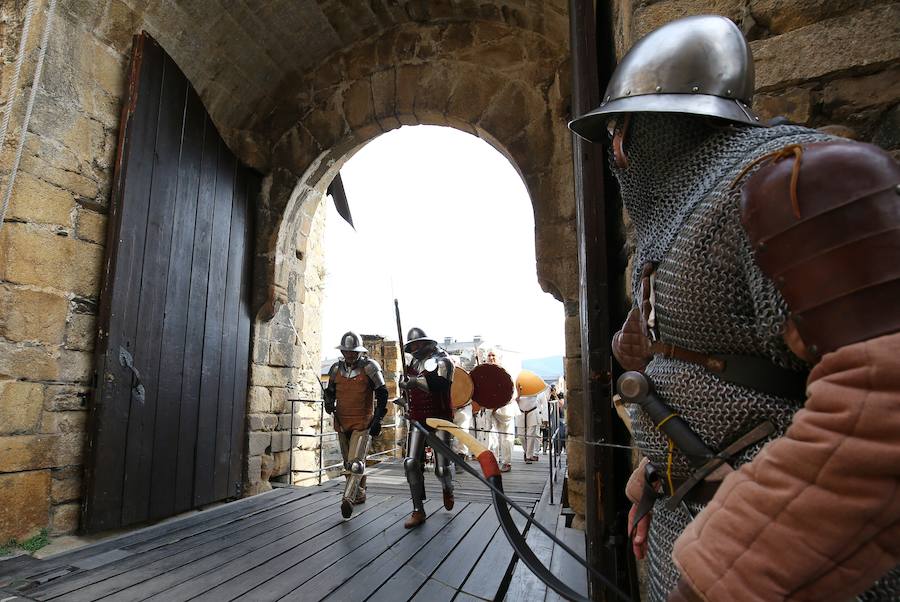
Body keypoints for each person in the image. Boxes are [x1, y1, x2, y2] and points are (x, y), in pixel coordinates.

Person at [569, 14, 900, 602]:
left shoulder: (797, 181)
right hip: (696, 517)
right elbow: (720, 381)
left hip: (786, 565)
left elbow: (882, 410)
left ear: (636, 129)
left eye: (617, 130)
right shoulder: (681, 221)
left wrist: (727, 573)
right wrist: (662, 474)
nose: (615, 153)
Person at [323, 332, 388, 519]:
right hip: (342, 421)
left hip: (362, 421)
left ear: (359, 351)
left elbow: (382, 393)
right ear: (342, 351)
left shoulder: (369, 367)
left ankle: (347, 500)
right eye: (346, 351)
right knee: (347, 463)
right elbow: (331, 392)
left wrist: (378, 419)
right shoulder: (335, 369)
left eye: (353, 351)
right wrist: (328, 402)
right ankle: (359, 492)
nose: (349, 354)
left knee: (355, 464)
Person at [398, 327, 456, 528]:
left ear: (425, 342)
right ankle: (418, 510)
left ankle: (447, 487)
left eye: (417, 343)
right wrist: (406, 403)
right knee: (411, 462)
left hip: (440, 417)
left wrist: (413, 381)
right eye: (412, 345)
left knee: (441, 468)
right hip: (418, 418)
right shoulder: (411, 364)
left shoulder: (443, 360)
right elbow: (409, 394)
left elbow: (439, 383)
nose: (414, 347)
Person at [484, 348, 517, 472]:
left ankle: (506, 462)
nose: (491, 357)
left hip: (505, 409)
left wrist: (499, 403)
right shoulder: (484, 372)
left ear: (499, 357)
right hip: (489, 409)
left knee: (506, 438)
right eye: (489, 355)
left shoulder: (507, 372)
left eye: (493, 355)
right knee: (491, 438)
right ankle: (493, 462)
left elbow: (514, 393)